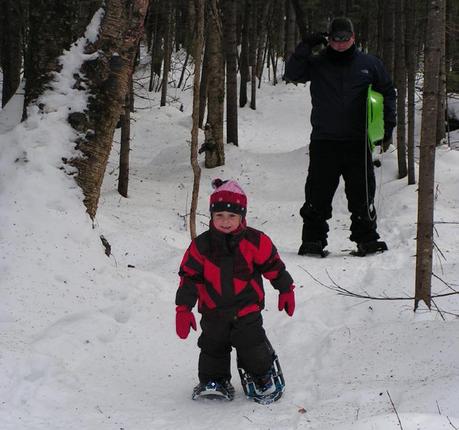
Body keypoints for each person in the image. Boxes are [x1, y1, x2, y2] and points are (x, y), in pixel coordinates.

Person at [285, 17, 396, 257]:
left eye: (345, 39)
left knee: (361, 193)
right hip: (325, 140)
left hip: (358, 140)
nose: (341, 44)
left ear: (353, 38)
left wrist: (388, 124)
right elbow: (293, 73)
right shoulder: (318, 63)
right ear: (329, 39)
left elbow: (387, 92)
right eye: (336, 40)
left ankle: (366, 239)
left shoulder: (370, 64)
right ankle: (313, 240)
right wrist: (305, 46)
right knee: (318, 193)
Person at [175, 179, 295, 400]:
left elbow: (273, 265)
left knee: (252, 345)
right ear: (211, 216)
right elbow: (189, 278)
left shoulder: (255, 241)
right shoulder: (201, 246)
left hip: (246, 309)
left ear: (242, 216)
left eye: (232, 216)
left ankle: (262, 374)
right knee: (213, 347)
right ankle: (215, 380)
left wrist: (286, 289)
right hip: (213, 310)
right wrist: (183, 308)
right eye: (219, 215)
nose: (225, 221)